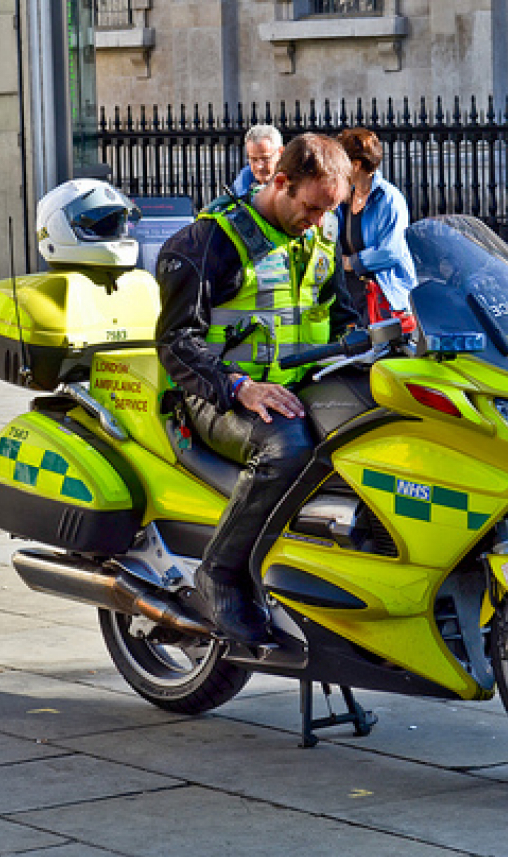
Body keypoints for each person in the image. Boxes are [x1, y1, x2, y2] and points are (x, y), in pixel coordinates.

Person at [155, 133, 358, 644]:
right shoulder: (210, 241)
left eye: (327, 211)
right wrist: (239, 386)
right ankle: (220, 573)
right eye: (311, 208)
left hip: (295, 387)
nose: (317, 221)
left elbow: (341, 318)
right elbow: (176, 341)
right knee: (288, 446)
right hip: (212, 398)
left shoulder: (322, 235)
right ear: (280, 181)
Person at [335, 127, 417, 326]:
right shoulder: (345, 197)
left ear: (355, 165)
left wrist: (350, 263)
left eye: (340, 163)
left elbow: (391, 251)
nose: (336, 169)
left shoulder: (389, 198)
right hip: (353, 296)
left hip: (384, 299)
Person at [230, 124, 283, 198]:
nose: (259, 167)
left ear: (280, 153)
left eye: (265, 159)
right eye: (253, 159)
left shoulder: (294, 181)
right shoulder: (244, 178)